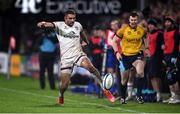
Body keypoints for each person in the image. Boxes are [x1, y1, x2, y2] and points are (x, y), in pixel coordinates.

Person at [37, 9, 115, 104]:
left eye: (74, 18)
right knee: (64, 85)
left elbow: (82, 33)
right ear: (65, 18)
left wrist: (86, 41)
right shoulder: (59, 25)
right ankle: (61, 95)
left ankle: (105, 89)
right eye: (70, 18)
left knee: (91, 67)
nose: (72, 20)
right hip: (66, 59)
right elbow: (49, 25)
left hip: (78, 54)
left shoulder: (78, 25)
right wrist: (42, 24)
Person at [112, 11, 146, 104]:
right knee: (124, 80)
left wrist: (146, 49)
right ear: (129, 20)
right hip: (125, 56)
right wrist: (117, 53)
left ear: (137, 20)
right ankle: (123, 97)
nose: (133, 21)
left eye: (135, 20)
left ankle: (139, 95)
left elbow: (146, 39)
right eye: (132, 20)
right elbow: (114, 41)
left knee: (140, 72)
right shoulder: (123, 29)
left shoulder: (142, 30)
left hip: (137, 56)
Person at [162, 16, 180, 104]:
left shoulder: (176, 31)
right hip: (167, 56)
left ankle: (177, 97)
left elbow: (176, 44)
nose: (167, 23)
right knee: (169, 76)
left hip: (173, 56)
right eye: (166, 22)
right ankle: (173, 96)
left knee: (174, 76)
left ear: (172, 23)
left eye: (168, 22)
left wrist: (175, 56)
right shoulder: (165, 32)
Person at [146, 18, 164, 102]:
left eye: (151, 24)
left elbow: (162, 47)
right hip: (150, 57)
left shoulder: (159, 34)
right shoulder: (148, 34)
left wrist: (161, 58)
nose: (150, 26)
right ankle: (157, 94)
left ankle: (159, 94)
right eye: (149, 24)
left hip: (157, 57)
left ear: (155, 26)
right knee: (152, 76)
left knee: (156, 76)